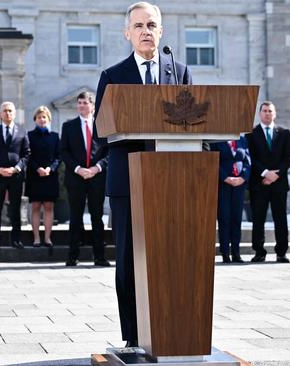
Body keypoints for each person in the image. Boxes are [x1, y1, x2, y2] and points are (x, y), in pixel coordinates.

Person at [93, 2, 192, 347]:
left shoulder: (179, 72)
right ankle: (134, 336)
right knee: (129, 260)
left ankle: (172, 330)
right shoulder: (112, 75)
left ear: (161, 31)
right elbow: (101, 130)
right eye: (139, 26)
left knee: (172, 256)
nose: (146, 31)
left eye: (152, 25)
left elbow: (191, 124)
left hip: (172, 180)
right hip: (127, 182)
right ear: (127, 33)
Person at [60, 91, 110, 267]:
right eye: (79, 103)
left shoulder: (102, 125)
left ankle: (100, 256)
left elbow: (108, 151)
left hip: (97, 177)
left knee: (97, 217)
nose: (81, 105)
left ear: (92, 106)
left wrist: (96, 168)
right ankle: (72, 256)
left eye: (84, 103)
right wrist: (78, 169)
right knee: (75, 217)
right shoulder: (69, 126)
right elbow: (63, 151)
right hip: (76, 178)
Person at [246, 101, 290, 263]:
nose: (267, 113)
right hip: (259, 184)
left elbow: (288, 157)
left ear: (275, 114)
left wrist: (275, 175)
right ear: (260, 113)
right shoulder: (251, 134)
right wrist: (265, 173)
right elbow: (251, 157)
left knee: (280, 218)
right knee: (258, 219)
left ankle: (281, 252)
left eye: (270, 111)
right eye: (264, 110)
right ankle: (259, 252)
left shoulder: (284, 133)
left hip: (279, 183)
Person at [0, 101, 31, 249]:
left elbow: (27, 154)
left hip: (16, 176)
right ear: (0, 114)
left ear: (14, 114)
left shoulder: (22, 132)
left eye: (10, 111)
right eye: (5, 111)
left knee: (15, 208)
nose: (8, 113)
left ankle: (16, 239)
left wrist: (16, 168)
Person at [210, 137, 251, 264]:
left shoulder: (243, 140)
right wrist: (225, 178)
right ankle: (225, 253)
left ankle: (236, 253)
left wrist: (243, 177)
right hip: (223, 185)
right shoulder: (216, 141)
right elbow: (213, 161)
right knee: (224, 218)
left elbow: (247, 161)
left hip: (239, 185)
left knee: (236, 219)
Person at [25, 106, 59, 247]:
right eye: (39, 117)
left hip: (50, 176)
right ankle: (36, 238)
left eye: (44, 117)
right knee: (36, 206)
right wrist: (38, 168)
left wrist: (50, 169)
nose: (42, 119)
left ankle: (47, 238)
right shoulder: (29, 135)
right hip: (35, 175)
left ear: (48, 119)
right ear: (35, 120)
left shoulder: (55, 136)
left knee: (49, 206)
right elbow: (28, 155)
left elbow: (59, 157)